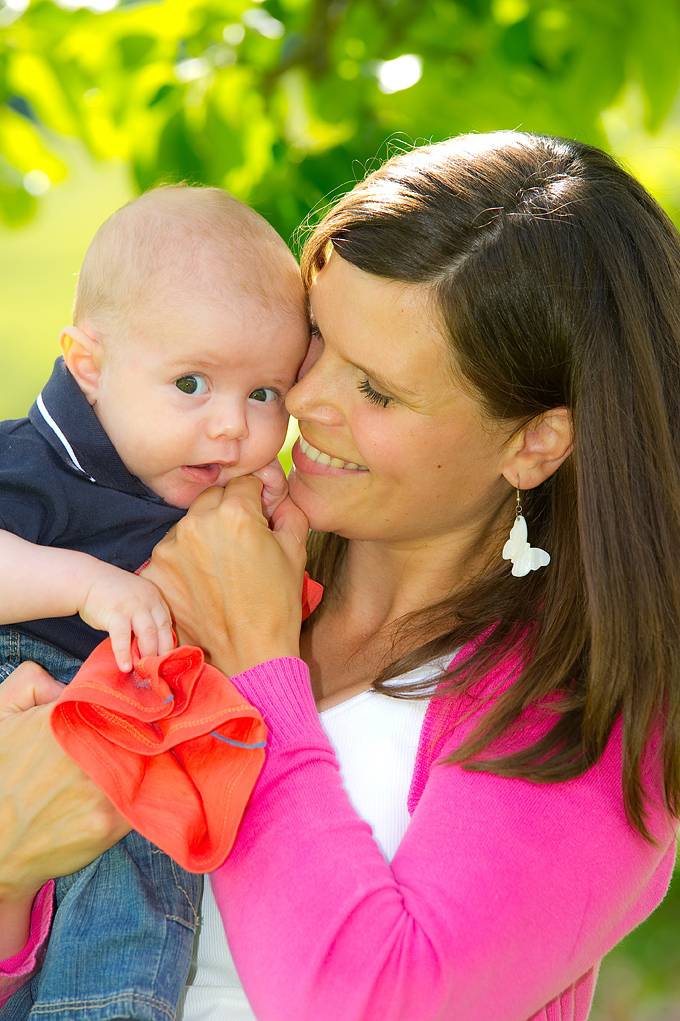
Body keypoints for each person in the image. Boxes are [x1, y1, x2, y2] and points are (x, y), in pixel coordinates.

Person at [1, 130, 679, 1021]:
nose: (306, 400)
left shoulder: (581, 709)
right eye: (319, 339)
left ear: (533, 441)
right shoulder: (182, 551)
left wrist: (256, 665)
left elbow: (375, 1001)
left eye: (379, 390)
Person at [0, 185, 308, 1019]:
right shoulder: (33, 462)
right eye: (193, 382)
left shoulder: (209, 486)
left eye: (264, 394)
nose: (229, 429)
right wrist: (85, 582)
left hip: (139, 740)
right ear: (87, 364)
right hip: (29, 690)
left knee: (135, 922)